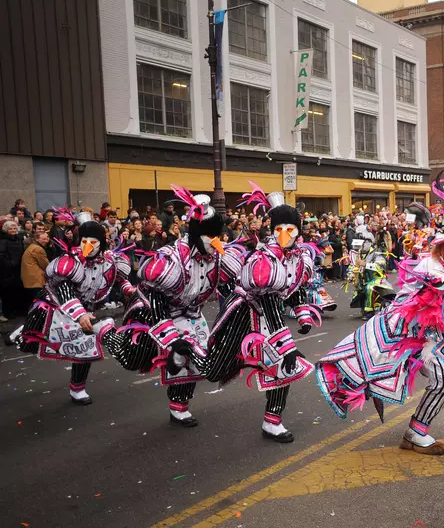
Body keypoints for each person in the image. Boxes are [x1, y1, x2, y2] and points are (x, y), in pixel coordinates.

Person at [316, 157, 444, 455]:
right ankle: (415, 433)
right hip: (405, 334)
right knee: (434, 375)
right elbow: (439, 320)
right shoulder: (436, 273)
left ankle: (415, 434)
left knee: (443, 378)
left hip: (428, 335)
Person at [101, 187, 242, 427]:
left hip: (192, 314)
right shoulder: (171, 260)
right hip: (152, 312)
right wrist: (171, 339)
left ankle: (179, 407)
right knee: (132, 359)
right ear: (197, 233)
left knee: (194, 363)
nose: (216, 242)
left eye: (218, 235)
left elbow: (230, 290)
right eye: (210, 236)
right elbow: (153, 297)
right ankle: (104, 330)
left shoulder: (219, 256)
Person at [201, 185, 319, 443]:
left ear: (299, 231)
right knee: (214, 370)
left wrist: (303, 314)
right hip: (246, 317)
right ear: (272, 230)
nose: (284, 234)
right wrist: (287, 345)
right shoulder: (264, 259)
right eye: (279, 229)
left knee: (283, 370)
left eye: (290, 229)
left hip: (271, 324)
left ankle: (272, 422)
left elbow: (295, 286)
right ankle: (187, 352)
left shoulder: (300, 257)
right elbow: (267, 300)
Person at [14, 213, 131, 405]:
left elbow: (120, 279)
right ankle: (24, 331)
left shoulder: (111, 261)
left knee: (83, 350)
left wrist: (129, 290)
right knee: (31, 342)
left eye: (93, 241)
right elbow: (65, 290)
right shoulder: (70, 261)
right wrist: (79, 314)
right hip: (57, 306)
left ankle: (78, 388)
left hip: (86, 309)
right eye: (84, 240)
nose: (88, 245)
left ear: (101, 242)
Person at [0, 220, 26, 318]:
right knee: (7, 292)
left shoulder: (19, 239)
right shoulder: (3, 241)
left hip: (18, 269)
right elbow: (1, 256)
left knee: (18, 290)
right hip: (7, 271)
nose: (13, 230)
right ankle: (8, 313)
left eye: (14, 228)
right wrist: (10, 263)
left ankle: (18, 310)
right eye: (10, 229)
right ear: (6, 230)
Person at [21, 229, 50, 303]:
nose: (46, 240)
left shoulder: (32, 246)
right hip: (36, 280)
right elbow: (46, 265)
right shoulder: (38, 249)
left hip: (31, 279)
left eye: (47, 238)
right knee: (40, 302)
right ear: (37, 239)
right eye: (43, 239)